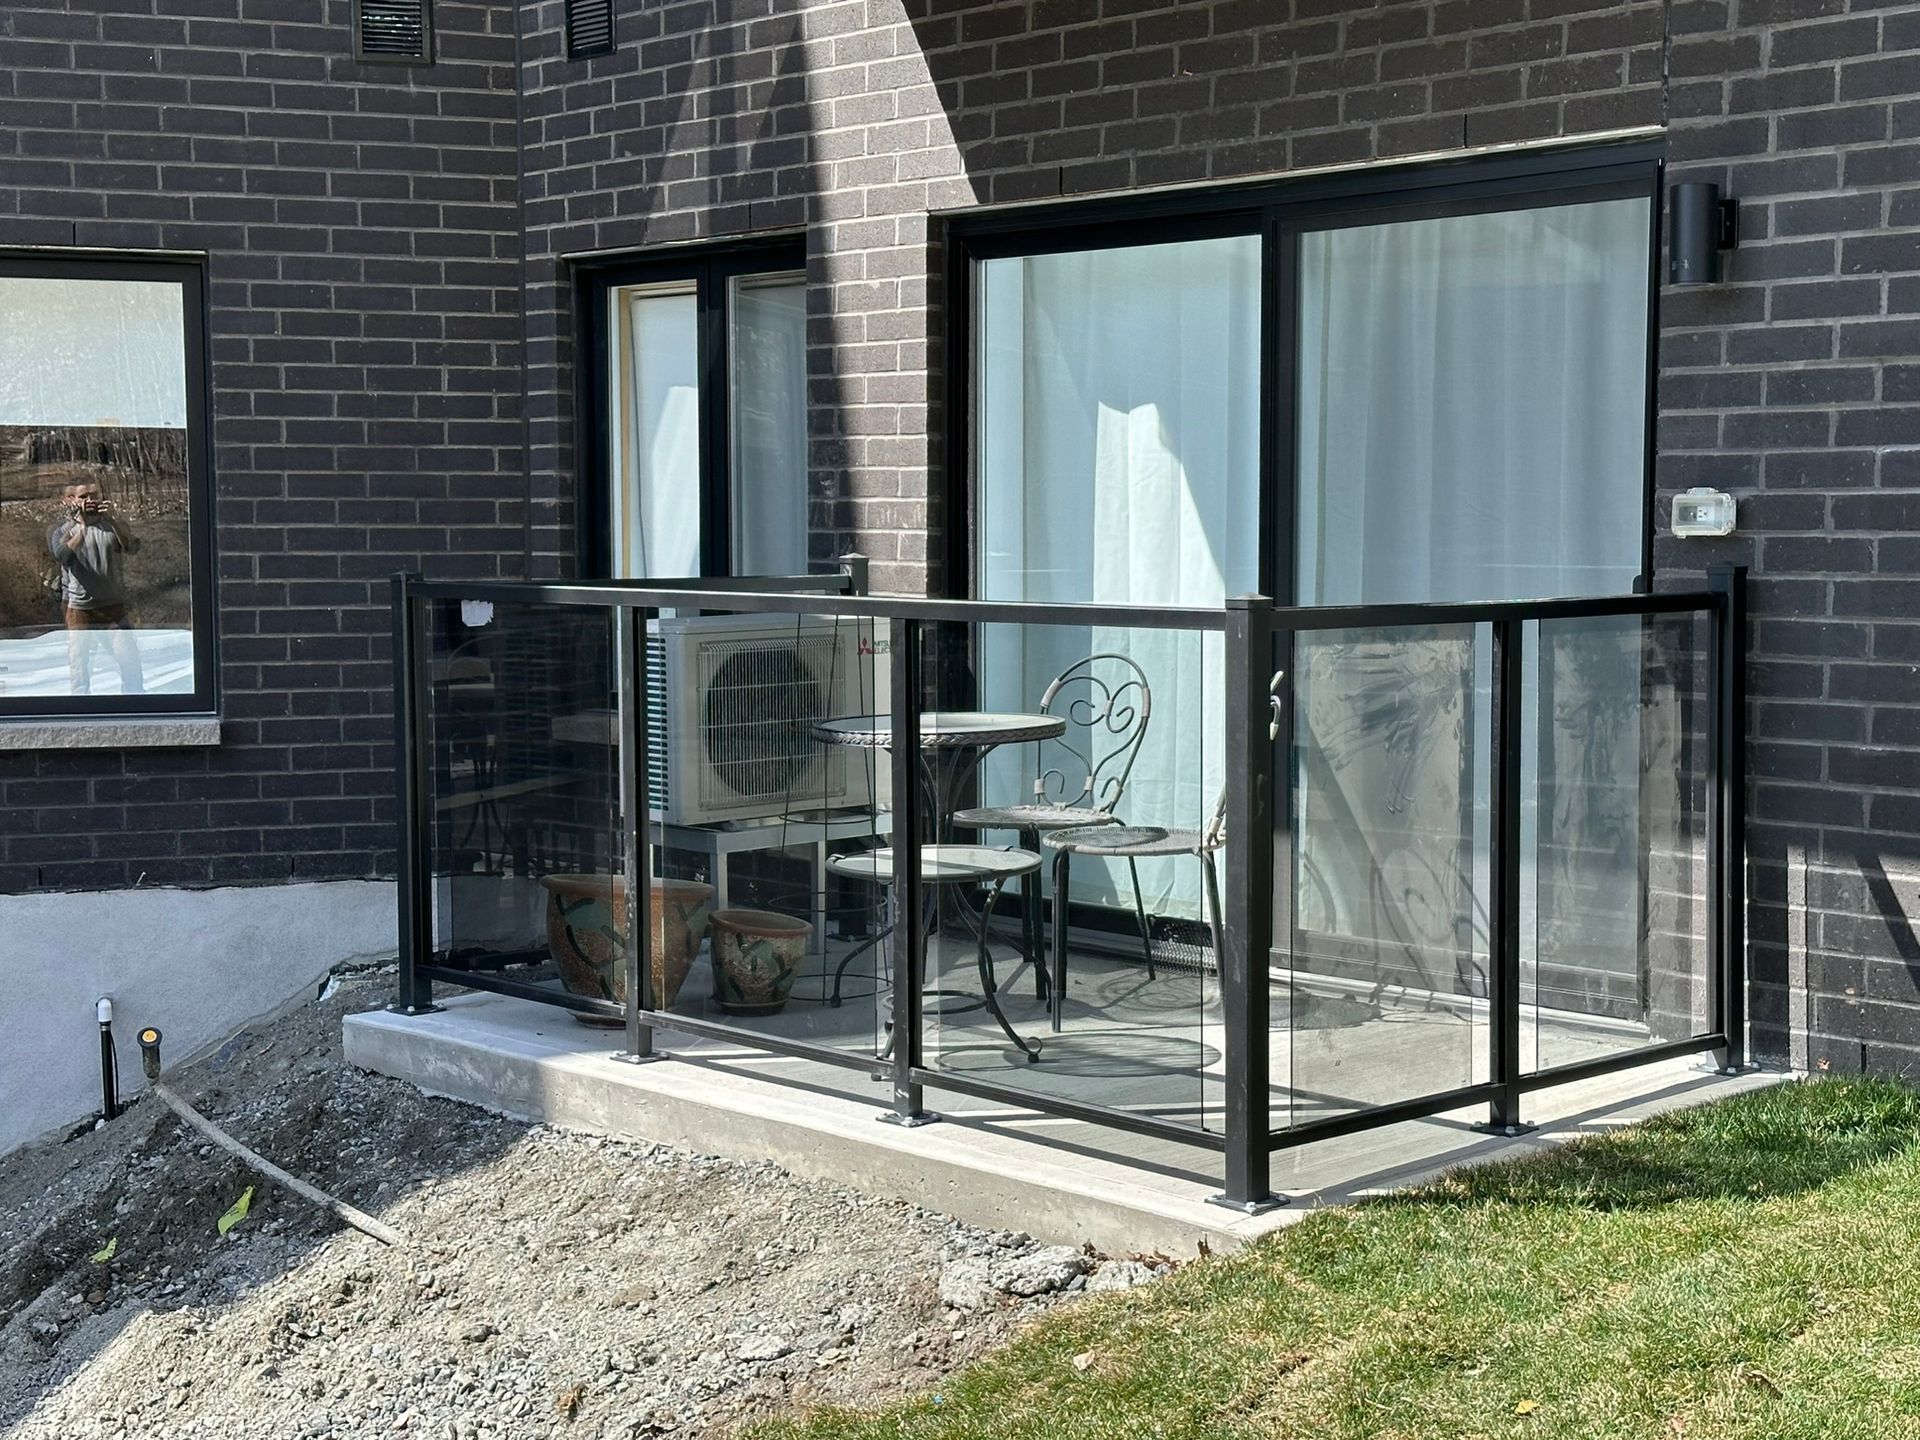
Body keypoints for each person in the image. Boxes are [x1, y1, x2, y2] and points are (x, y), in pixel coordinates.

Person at [48, 478, 145, 696]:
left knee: (130, 662)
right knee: (80, 667)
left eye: (94, 495)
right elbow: (62, 556)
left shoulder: (110, 525)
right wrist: (81, 527)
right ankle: (81, 713)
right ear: (69, 500)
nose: (90, 500)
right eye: (84, 497)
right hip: (78, 608)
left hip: (113, 606)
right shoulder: (60, 530)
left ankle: (135, 708)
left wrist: (111, 518)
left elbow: (132, 547)